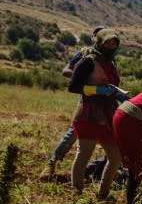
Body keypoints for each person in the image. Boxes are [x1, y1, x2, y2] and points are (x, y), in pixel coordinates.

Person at [66, 28, 129, 198]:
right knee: (84, 154)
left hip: (109, 113)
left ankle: (103, 194)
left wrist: (118, 94)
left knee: (116, 157)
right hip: (88, 113)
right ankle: (77, 194)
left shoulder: (112, 63)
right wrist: (98, 90)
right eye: (107, 42)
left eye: (114, 43)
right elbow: (73, 87)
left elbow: (111, 86)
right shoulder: (88, 61)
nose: (111, 46)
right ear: (100, 42)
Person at [42, 25, 106, 177]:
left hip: (106, 103)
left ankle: (98, 170)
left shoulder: (110, 59)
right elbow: (66, 71)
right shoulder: (84, 54)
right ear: (94, 39)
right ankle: (52, 163)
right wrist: (85, 80)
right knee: (74, 133)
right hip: (87, 99)